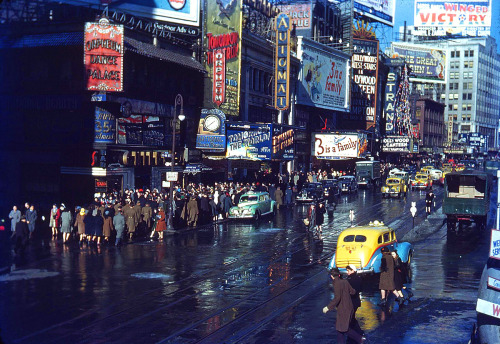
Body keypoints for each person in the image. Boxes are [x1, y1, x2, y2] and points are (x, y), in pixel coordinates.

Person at [323, 268, 365, 344]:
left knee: (343, 328)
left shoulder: (336, 283)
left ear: (332, 276)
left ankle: (359, 339)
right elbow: (352, 291)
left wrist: (328, 307)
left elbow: (337, 298)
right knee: (340, 329)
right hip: (349, 307)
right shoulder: (345, 281)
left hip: (343, 309)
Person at [346, 265, 363, 336]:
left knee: (351, 318)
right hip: (355, 301)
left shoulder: (350, 280)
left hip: (352, 301)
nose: (347, 272)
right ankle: (357, 333)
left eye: (348, 271)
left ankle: (358, 333)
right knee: (351, 317)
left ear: (353, 270)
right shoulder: (358, 278)